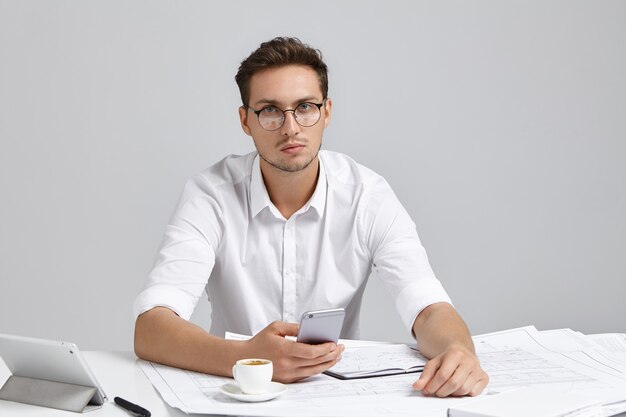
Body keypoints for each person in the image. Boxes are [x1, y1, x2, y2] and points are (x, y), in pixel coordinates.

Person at [133, 37, 488, 397]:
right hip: (234, 395)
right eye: (270, 110)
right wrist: (246, 358)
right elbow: (152, 326)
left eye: (304, 107)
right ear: (245, 121)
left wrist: (458, 350)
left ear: (327, 112)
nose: (290, 127)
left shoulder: (367, 195)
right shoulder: (211, 195)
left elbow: (427, 308)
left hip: (335, 397)